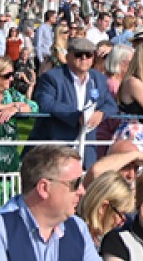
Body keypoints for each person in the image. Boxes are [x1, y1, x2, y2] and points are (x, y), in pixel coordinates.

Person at [32, 35, 118, 167]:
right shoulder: (52, 77)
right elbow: (45, 102)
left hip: (87, 150)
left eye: (88, 54)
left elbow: (111, 105)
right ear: (68, 57)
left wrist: (101, 113)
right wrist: (77, 116)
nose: (84, 58)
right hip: (57, 147)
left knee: (86, 186)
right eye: (78, 54)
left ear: (93, 58)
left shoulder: (98, 79)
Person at [78, 170, 136, 246]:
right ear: (103, 207)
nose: (122, 222)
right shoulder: (74, 236)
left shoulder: (99, 241)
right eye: (121, 214)